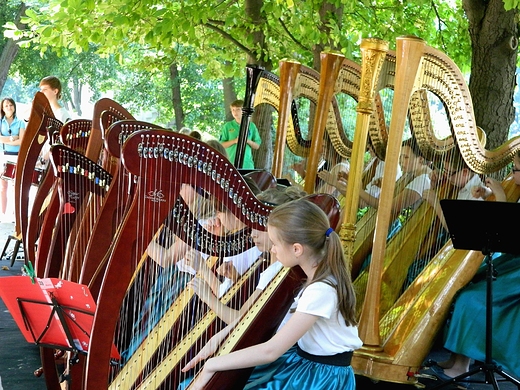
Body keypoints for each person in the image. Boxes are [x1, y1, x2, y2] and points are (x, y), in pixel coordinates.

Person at [185, 199, 363, 390]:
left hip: (322, 376)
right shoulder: (315, 277)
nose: (272, 249)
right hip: (305, 363)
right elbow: (280, 324)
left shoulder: (321, 290)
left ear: (297, 249)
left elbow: (271, 351)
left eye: (275, 243)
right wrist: (221, 336)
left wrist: (212, 364)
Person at [426, 150, 520, 381]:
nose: (512, 174)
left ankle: (461, 367)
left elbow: (509, 231)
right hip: (511, 264)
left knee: (472, 299)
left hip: (517, 274)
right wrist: (491, 193)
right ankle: (457, 360)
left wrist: (500, 195)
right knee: (462, 288)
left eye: (515, 170)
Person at [0, 98, 25, 221]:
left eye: (11, 105)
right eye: (6, 106)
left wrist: (6, 138)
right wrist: (12, 138)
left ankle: (15, 215)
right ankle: (2, 214)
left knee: (15, 187)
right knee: (3, 187)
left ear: (14, 106)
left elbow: (22, 141)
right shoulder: (0, 122)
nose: (9, 107)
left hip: (17, 156)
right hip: (4, 154)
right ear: (2, 109)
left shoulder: (20, 122)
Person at [219, 100, 261, 169]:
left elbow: (257, 146)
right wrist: (234, 141)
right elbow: (222, 145)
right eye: (233, 110)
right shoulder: (227, 126)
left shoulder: (251, 126)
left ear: (244, 110)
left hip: (247, 164)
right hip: (230, 163)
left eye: (238, 109)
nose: (235, 112)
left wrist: (247, 140)